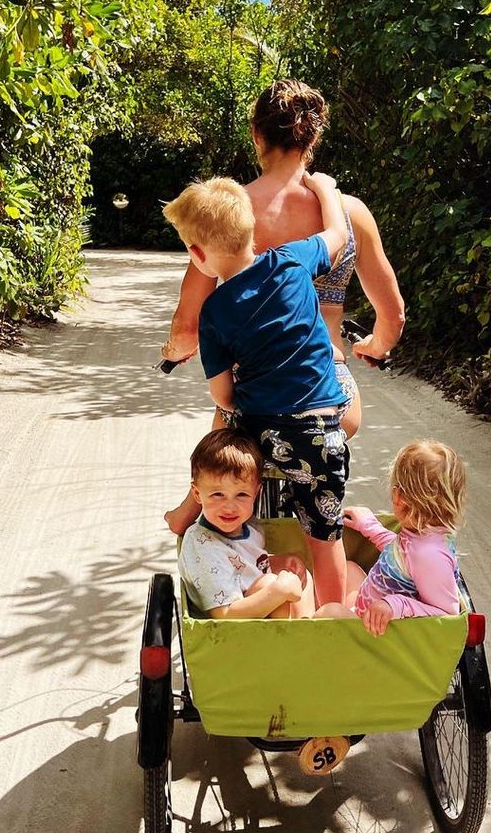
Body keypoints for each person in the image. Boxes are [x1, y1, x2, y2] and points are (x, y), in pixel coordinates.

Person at [162, 79, 405, 533]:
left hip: (254, 410)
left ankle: (192, 506)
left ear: (256, 135)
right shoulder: (348, 212)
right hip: (329, 399)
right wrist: (375, 345)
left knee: (228, 420)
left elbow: (188, 323)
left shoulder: (227, 212)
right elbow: (392, 316)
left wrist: (174, 350)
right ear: (313, 139)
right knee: (320, 486)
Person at [162, 172, 350, 607]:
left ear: (197, 254)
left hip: (264, 431)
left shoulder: (215, 311)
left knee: (223, 435)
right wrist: (323, 187)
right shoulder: (292, 260)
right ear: (252, 231)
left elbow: (223, 396)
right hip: (320, 430)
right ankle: (333, 618)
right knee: (325, 535)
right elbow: (337, 233)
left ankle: (192, 510)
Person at [316, 441, 467, 637]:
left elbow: (447, 615)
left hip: (381, 634)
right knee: (350, 569)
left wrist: (395, 605)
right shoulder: (423, 536)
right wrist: (371, 528)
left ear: (398, 497)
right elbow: (401, 556)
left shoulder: (429, 555)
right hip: (371, 616)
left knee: (330, 612)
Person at [178, 429, 316, 619]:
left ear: (256, 492)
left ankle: (309, 629)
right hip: (237, 634)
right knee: (270, 583)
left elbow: (244, 565)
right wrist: (279, 590)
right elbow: (225, 615)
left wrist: (277, 561)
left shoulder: (249, 527)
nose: (229, 507)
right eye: (217, 494)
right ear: (197, 494)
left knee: (300, 575)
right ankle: (301, 638)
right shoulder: (202, 544)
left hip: (264, 616)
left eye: (242, 495)